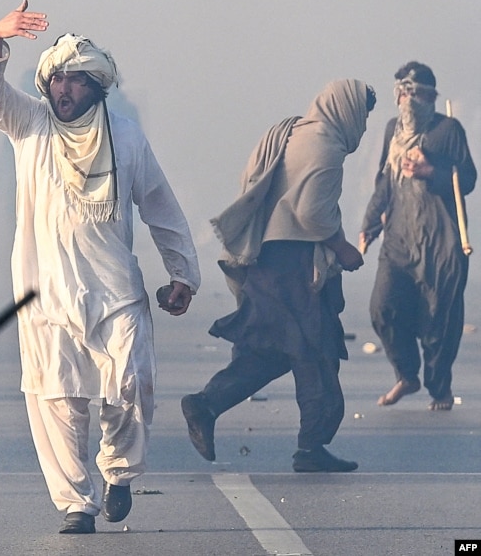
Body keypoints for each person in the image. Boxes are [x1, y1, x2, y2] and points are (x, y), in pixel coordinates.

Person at [0, 1, 201, 535]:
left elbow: (160, 205)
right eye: (57, 81)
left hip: (115, 289)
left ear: (98, 88)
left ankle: (118, 471)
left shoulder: (126, 137)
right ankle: (77, 503)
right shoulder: (29, 124)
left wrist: (182, 274)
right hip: (45, 292)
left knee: (130, 383)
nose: (63, 91)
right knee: (57, 398)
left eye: (76, 82)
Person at [181, 80, 377, 473]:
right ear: (349, 109)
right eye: (365, 115)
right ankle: (310, 446)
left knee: (272, 351)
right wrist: (341, 247)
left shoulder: (290, 131)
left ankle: (208, 404)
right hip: (292, 267)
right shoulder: (326, 148)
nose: (365, 124)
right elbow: (312, 214)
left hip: (266, 261)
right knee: (315, 351)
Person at [359, 62, 475, 411]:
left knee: (439, 320)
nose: (407, 99)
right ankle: (407, 375)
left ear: (430, 97)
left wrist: (431, 171)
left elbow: (467, 179)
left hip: (442, 243)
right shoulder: (393, 130)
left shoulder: (448, 129)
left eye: (415, 92)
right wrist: (368, 225)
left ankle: (440, 389)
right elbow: (385, 182)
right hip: (398, 239)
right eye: (402, 91)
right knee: (383, 307)